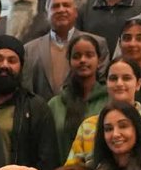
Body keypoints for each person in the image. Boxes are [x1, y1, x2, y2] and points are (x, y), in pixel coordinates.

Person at [64, 57, 141, 170]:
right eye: (113, 78)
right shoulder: (88, 127)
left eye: (126, 78)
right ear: (106, 83)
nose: (119, 84)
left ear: (138, 84)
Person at [0, 35, 60, 170]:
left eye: (12, 60)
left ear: (21, 67)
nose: (4, 65)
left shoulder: (36, 107)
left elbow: (48, 162)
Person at [47, 32, 109, 161]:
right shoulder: (55, 104)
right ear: (69, 61)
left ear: (99, 60)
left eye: (89, 55)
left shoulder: (110, 100)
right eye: (77, 56)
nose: (83, 60)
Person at [27, 0, 95, 101]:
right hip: (42, 115)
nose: (61, 10)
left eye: (66, 5)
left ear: (76, 12)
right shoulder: (29, 50)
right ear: (46, 14)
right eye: (55, 6)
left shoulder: (96, 44)